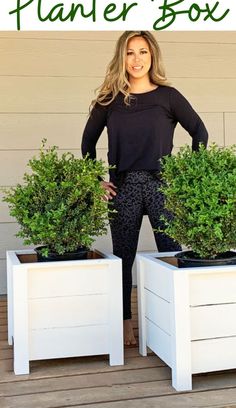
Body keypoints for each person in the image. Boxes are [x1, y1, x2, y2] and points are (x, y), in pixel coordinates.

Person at [81, 31, 208, 345]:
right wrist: (95, 180)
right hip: (122, 188)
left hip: (160, 187)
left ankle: (172, 321)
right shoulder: (108, 100)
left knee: (171, 255)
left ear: (153, 57)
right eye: (130, 53)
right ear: (121, 58)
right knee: (123, 257)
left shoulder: (168, 96)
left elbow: (200, 132)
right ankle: (125, 322)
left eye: (143, 52)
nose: (136, 59)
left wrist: (189, 176)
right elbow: (87, 144)